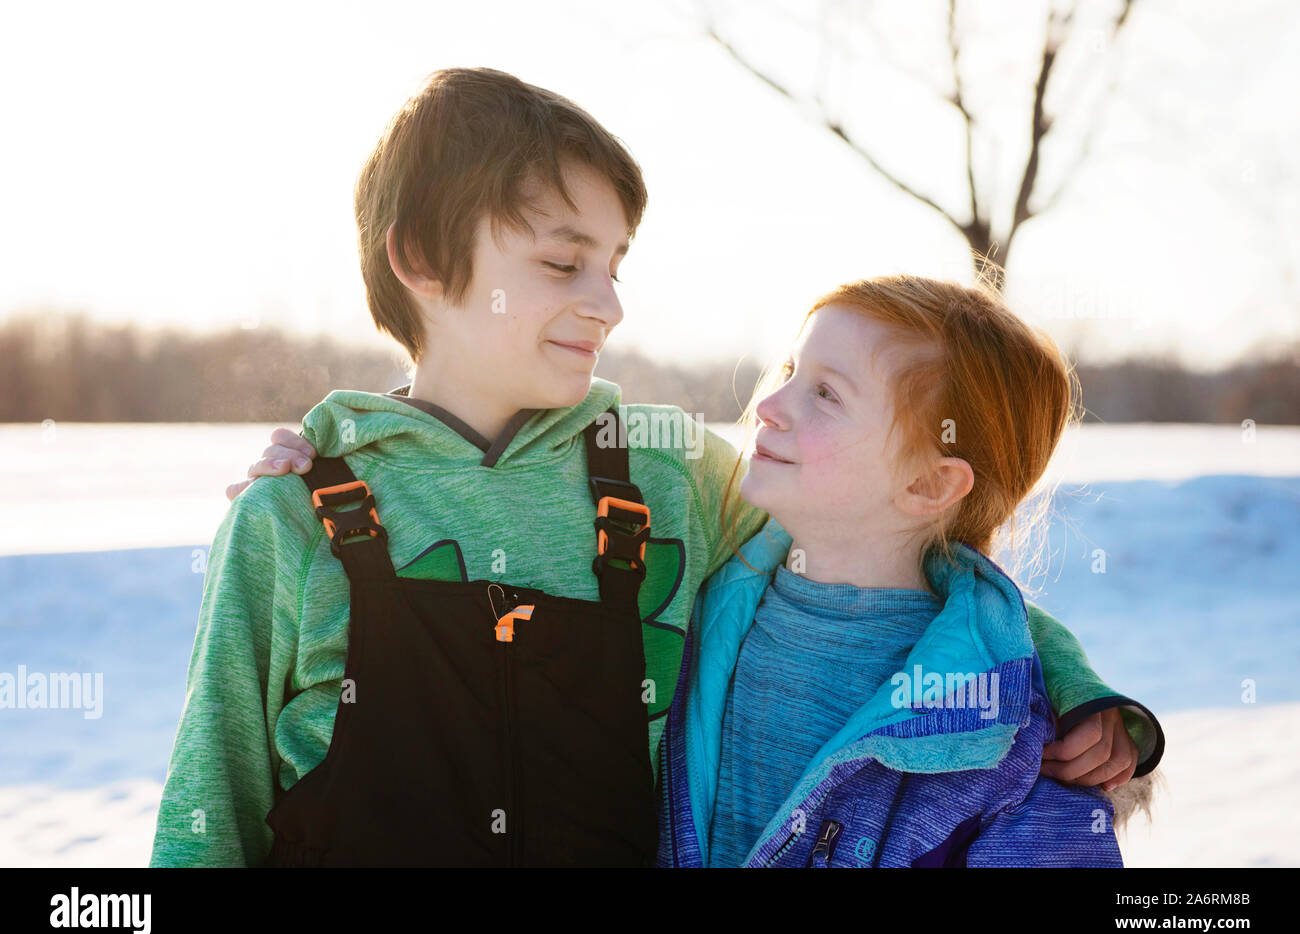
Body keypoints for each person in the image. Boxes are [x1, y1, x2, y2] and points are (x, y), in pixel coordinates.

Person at [153, 68, 1159, 867]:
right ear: (419, 257)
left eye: (616, 264)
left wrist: (1081, 698)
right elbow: (212, 796)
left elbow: (916, 564)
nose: (609, 302)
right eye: (562, 263)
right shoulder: (291, 520)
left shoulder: (663, 473)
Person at [658, 276, 1161, 867]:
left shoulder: (1000, 732)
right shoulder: (702, 583)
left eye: (826, 394)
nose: (769, 406)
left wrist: (1076, 696)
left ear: (928, 483)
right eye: (791, 371)